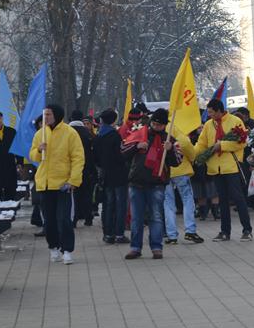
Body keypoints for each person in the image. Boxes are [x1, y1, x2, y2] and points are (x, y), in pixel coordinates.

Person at [121, 108, 181, 260]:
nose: (156, 126)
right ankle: (135, 248)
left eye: (160, 125)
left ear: (165, 125)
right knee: (136, 217)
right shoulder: (139, 134)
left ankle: (156, 247)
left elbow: (177, 162)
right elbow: (122, 151)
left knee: (156, 217)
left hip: (157, 184)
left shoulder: (169, 139)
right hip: (136, 182)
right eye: (154, 123)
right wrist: (136, 146)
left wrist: (171, 150)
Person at [30, 104, 85, 265]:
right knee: (49, 220)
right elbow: (33, 155)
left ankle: (67, 250)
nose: (45, 118)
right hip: (45, 184)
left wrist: (74, 180)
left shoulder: (70, 133)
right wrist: (39, 150)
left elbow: (78, 158)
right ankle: (53, 247)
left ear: (57, 115)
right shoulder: (40, 134)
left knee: (64, 219)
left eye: (48, 114)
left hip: (63, 185)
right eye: (44, 114)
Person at [195, 99, 252, 241]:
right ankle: (225, 231)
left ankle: (247, 230)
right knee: (222, 200)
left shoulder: (235, 121)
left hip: (231, 166)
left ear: (219, 110)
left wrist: (222, 145)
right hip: (215, 168)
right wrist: (192, 153)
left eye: (211, 112)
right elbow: (202, 144)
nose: (209, 115)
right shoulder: (208, 125)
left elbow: (242, 143)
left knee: (238, 199)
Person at [93, 109, 130, 244]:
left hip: (105, 174)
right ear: (114, 120)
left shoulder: (98, 136)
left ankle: (108, 234)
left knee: (108, 204)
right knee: (120, 205)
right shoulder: (115, 135)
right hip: (119, 174)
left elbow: (95, 157)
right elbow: (121, 155)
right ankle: (119, 233)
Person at [164, 127, 203, 244]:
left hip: (165, 172)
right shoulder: (178, 129)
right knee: (187, 200)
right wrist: (191, 158)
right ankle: (190, 230)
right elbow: (188, 147)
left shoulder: (161, 131)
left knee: (168, 203)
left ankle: (171, 235)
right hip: (181, 171)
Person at [68, 110, 97, 226]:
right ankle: (88, 218)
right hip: (86, 167)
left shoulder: (67, 132)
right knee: (87, 193)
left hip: (70, 167)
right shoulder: (88, 133)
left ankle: (73, 219)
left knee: (73, 194)